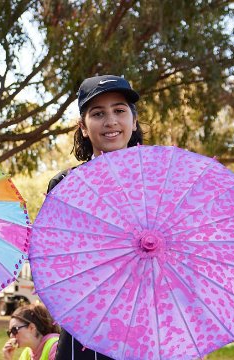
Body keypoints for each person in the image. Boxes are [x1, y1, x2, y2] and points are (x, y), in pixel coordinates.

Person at [48, 74, 143, 359]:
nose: (111, 121)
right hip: (86, 323)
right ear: (84, 127)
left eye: (119, 110)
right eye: (98, 113)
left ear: (134, 121)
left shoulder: (160, 179)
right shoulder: (66, 184)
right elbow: (52, 258)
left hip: (147, 320)